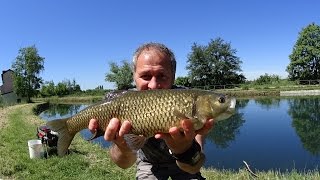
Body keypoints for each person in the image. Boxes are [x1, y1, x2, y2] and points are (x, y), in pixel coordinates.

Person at [88, 42, 214, 180]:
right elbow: (124, 164)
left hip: (183, 164)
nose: (153, 85)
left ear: (173, 76)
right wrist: (123, 147)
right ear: (134, 76)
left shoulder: (188, 100)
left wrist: (183, 150)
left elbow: (194, 167)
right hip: (149, 163)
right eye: (145, 76)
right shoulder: (123, 103)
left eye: (162, 76)